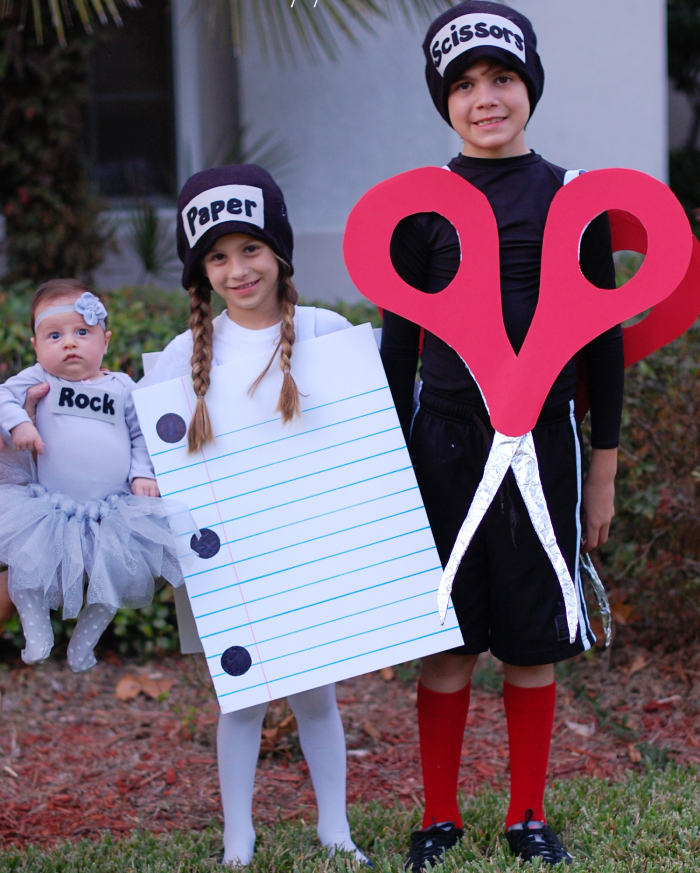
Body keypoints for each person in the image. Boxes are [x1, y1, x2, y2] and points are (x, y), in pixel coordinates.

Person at [381, 3, 623, 869]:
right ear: (444, 102)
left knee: (530, 640)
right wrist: (390, 471)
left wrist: (602, 470)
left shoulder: (572, 198)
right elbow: (395, 349)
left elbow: (605, 342)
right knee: (447, 642)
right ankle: (439, 816)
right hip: (441, 444)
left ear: (530, 87)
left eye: (503, 78)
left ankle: (526, 814)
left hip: (545, 446)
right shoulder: (419, 208)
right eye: (465, 85)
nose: (486, 98)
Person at [140, 164, 370, 868]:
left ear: (280, 254)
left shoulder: (330, 332)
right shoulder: (183, 356)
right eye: (217, 255)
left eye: (251, 249)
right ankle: (237, 834)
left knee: (316, 694)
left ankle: (336, 826)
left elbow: (369, 436)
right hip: (230, 554)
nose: (237, 269)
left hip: (310, 547)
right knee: (239, 700)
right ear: (200, 269)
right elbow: (153, 444)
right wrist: (147, 479)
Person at [0, 280, 193, 671]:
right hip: (50, 507)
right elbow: (2, 395)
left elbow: (142, 433)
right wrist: (20, 422)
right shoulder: (41, 379)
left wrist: (142, 472)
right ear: (36, 347)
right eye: (55, 335)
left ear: (105, 341)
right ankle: (37, 632)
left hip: (113, 508)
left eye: (82, 332)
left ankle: (83, 645)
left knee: (114, 579)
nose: (69, 343)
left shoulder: (122, 386)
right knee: (28, 567)